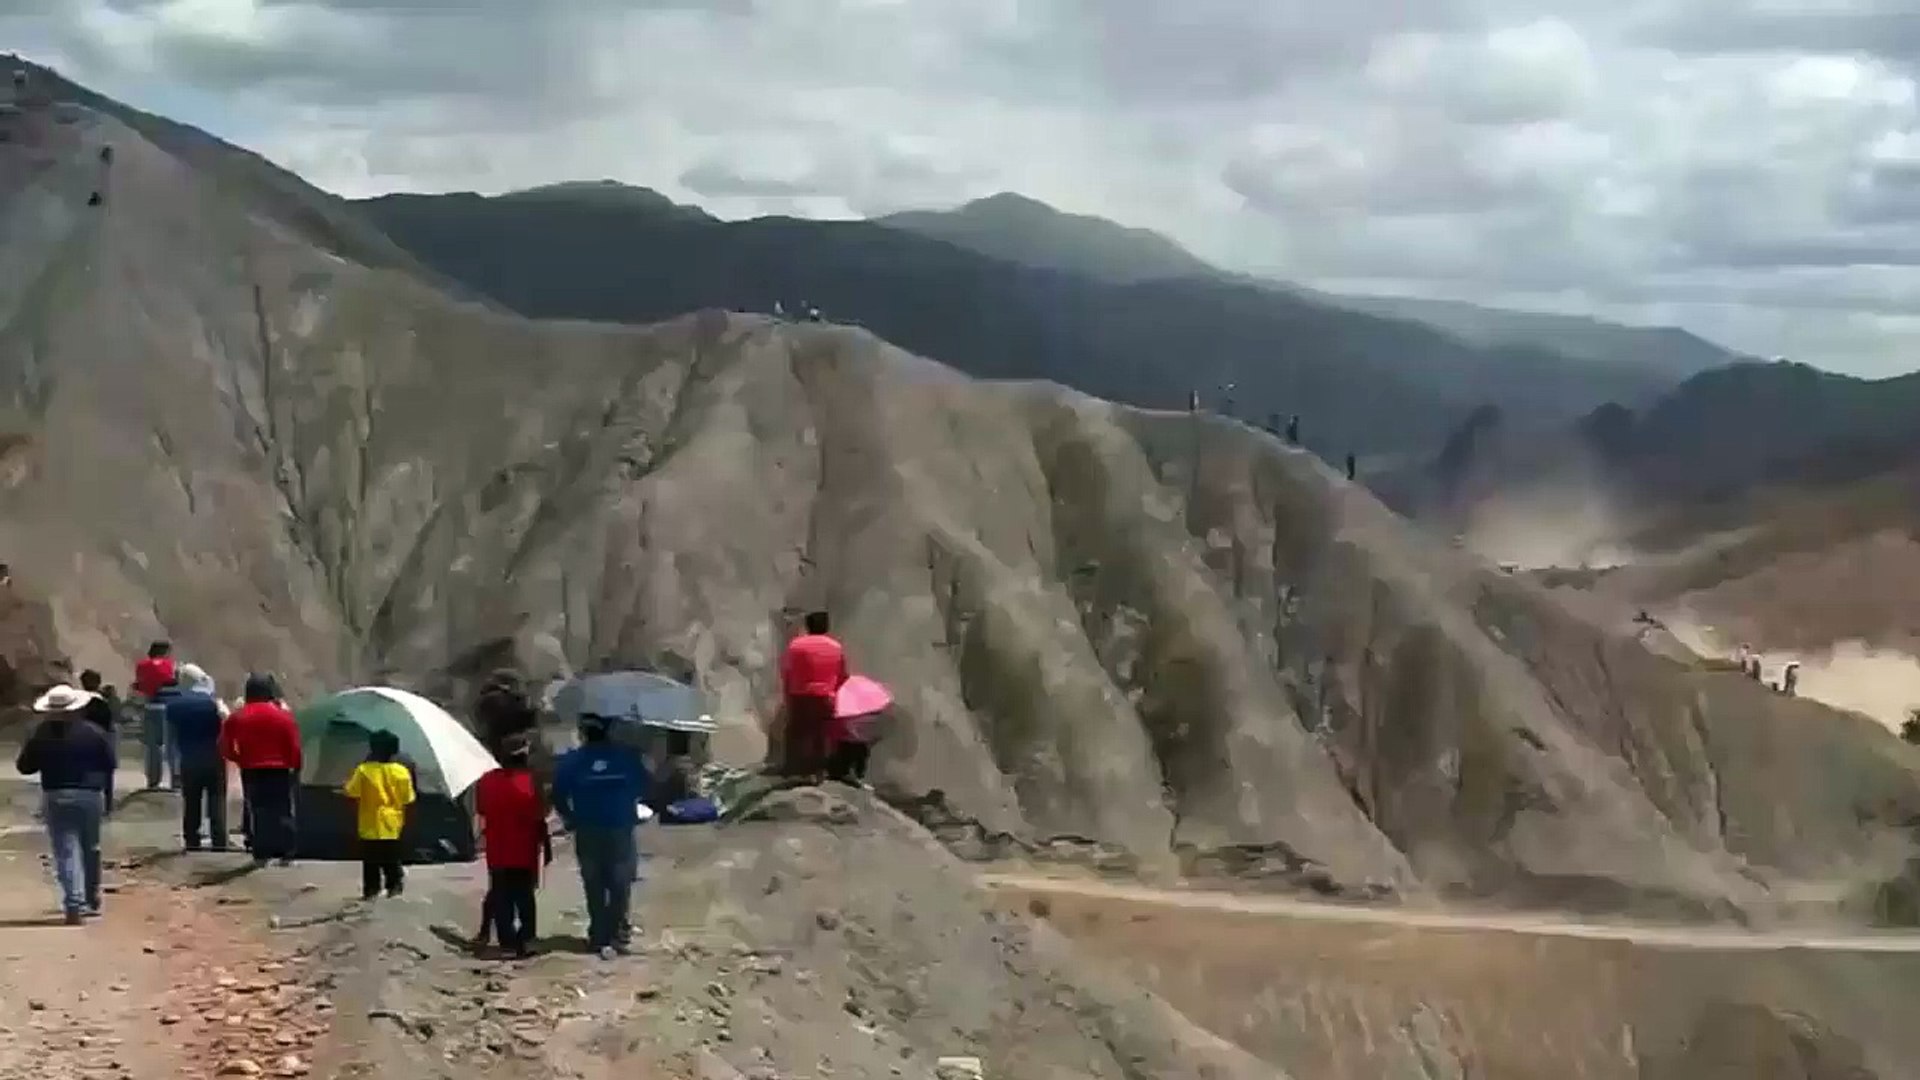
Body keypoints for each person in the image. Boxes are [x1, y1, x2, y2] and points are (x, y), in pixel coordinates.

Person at [551, 714, 649, 959]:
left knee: (594, 884)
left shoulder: (572, 761)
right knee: (620, 882)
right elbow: (643, 787)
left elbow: (558, 794)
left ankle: (599, 935)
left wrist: (570, 817)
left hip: (587, 829)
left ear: (583, 732)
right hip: (619, 830)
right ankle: (617, 935)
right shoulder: (628, 758)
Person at [15, 684, 115, 924]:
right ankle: (91, 897)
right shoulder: (94, 732)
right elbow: (109, 764)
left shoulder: (41, 733)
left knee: (65, 849)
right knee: (91, 847)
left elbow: (25, 766)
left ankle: (73, 902)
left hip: (56, 793)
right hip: (90, 795)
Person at [473, 733, 552, 957]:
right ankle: (526, 939)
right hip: (525, 848)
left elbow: (482, 809)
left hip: (497, 849)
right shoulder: (532, 781)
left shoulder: (487, 780)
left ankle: (506, 942)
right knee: (524, 895)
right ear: (525, 755)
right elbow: (542, 812)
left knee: (501, 894)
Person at [221, 673, 301, 866]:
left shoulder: (237, 717)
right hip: (280, 769)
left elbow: (224, 746)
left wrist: (239, 758)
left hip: (251, 769)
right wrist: (296, 767)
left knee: (258, 811)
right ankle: (287, 853)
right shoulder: (284, 717)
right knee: (283, 810)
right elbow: (294, 747)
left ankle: (261, 854)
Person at [343, 730, 415, 900]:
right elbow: (408, 800)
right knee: (391, 857)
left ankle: (371, 890)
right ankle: (394, 884)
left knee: (370, 860)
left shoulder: (363, 771)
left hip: (369, 823)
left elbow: (351, 794)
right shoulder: (401, 772)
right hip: (393, 823)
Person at [169, 663, 230, 852]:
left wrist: (174, 767)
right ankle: (219, 840)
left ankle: (192, 839)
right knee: (217, 799)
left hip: (189, 760)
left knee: (191, 801)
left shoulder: (174, 706)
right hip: (214, 757)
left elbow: (171, 739)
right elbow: (227, 725)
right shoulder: (214, 703)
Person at [780, 611, 848, 780]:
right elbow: (843, 676)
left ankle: (793, 769)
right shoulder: (836, 647)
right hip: (825, 697)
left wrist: (788, 694)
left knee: (796, 732)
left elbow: (787, 672)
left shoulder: (796, 645)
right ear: (826, 626)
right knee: (821, 735)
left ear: (807, 626)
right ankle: (819, 772)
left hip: (800, 695)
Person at [133, 641, 178, 790]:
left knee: (153, 746)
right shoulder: (170, 665)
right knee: (172, 745)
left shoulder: (142, 665)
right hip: (169, 707)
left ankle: (153, 780)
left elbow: (139, 686)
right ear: (165, 652)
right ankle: (175, 779)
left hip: (150, 706)